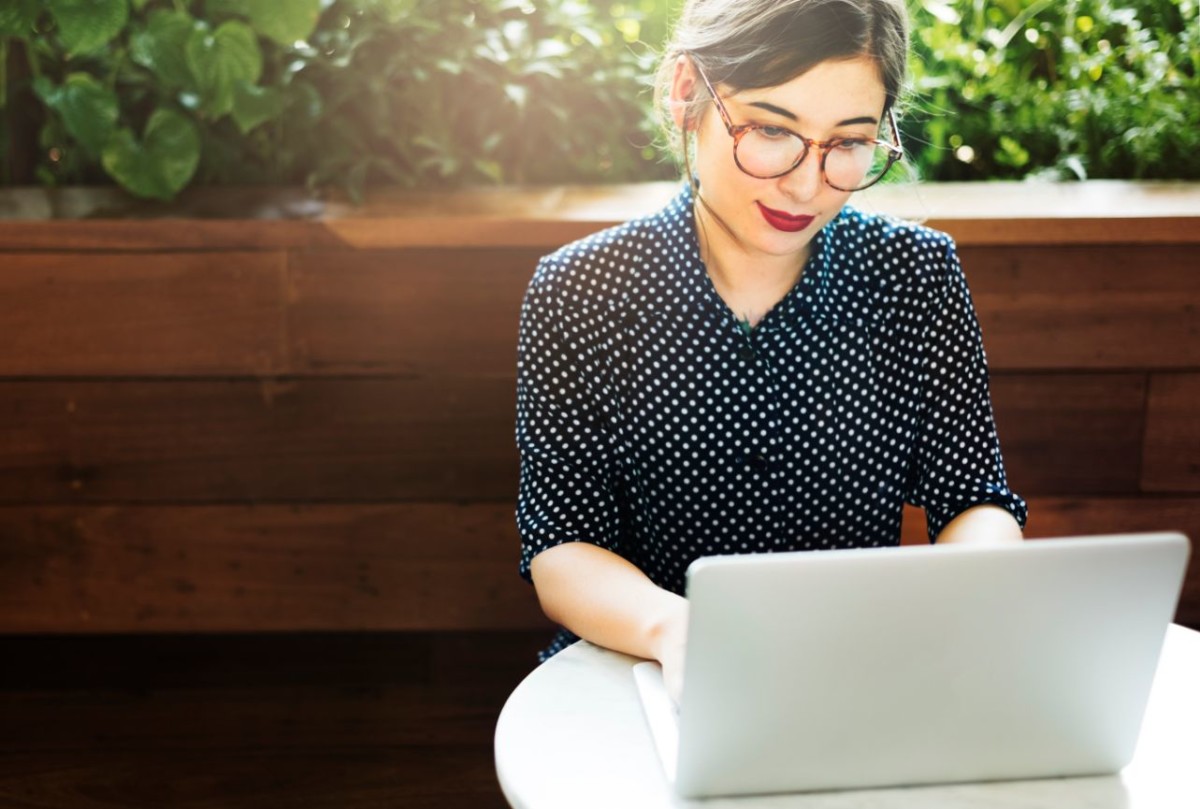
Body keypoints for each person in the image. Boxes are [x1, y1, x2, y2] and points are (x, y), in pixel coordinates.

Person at [514, 0, 1027, 701]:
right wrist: (676, 630)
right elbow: (563, 545)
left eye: (848, 143)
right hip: (640, 676)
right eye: (769, 129)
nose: (806, 183)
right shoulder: (582, 288)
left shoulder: (916, 275)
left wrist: (967, 599)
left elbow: (973, 499)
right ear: (685, 91)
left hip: (861, 677)